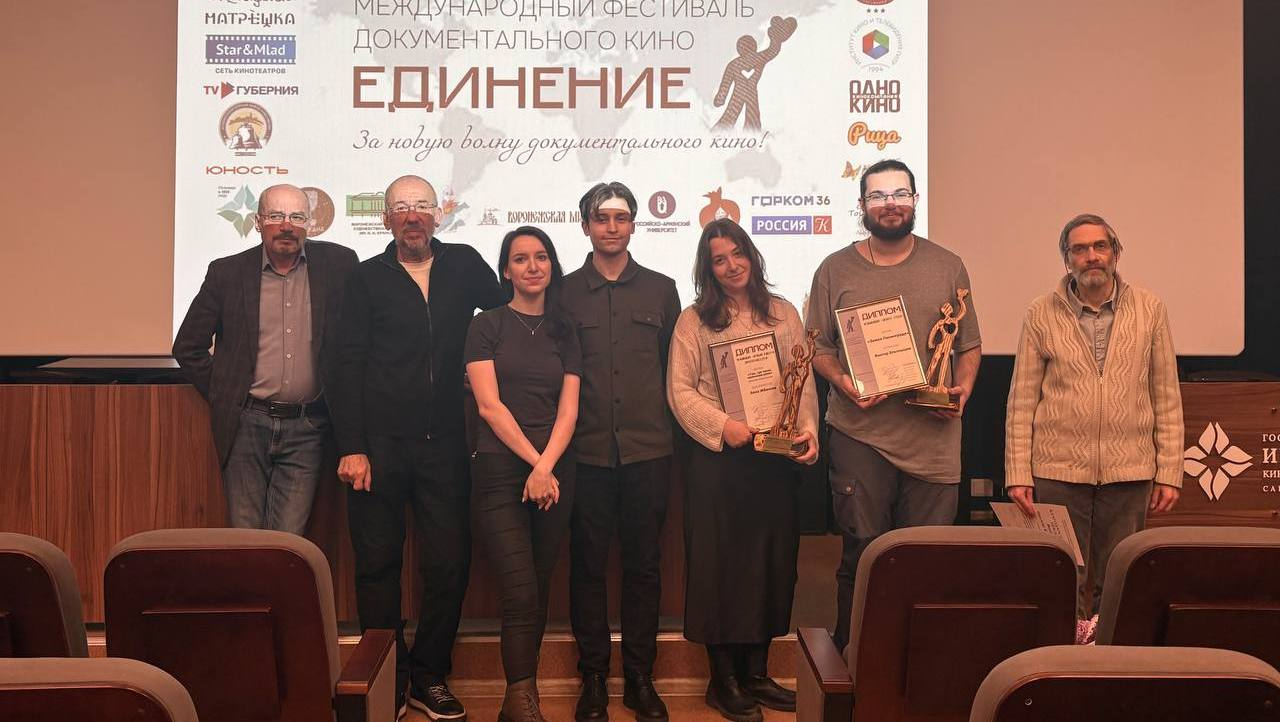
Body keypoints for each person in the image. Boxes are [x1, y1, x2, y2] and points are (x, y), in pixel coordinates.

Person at [329, 174, 505, 720]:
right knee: (377, 566)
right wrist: (352, 446)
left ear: (438, 215)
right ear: (386, 219)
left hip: (446, 444)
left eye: (422, 206)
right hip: (377, 448)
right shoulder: (364, 279)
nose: (413, 216)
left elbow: (509, 313)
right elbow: (343, 364)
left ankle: (429, 677)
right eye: (402, 207)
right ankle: (389, 679)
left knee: (450, 563)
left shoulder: (465, 264)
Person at [806, 159, 983, 653]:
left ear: (915, 200)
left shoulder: (948, 265)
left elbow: (968, 344)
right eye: (879, 196)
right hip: (860, 435)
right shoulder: (834, 269)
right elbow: (817, 347)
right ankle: (856, 665)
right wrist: (844, 382)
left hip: (933, 442)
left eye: (900, 194)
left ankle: (917, 670)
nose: (890, 204)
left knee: (926, 561)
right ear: (862, 205)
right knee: (863, 554)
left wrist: (962, 390)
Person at [668, 219, 818, 722]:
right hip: (719, 461)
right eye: (719, 259)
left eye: (738, 254)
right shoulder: (694, 321)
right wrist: (723, 426)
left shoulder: (784, 313)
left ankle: (756, 673)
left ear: (751, 256)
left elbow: (801, 380)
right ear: (707, 268)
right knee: (722, 568)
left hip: (773, 462)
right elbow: (680, 391)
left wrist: (807, 430)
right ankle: (724, 680)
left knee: (771, 565)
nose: (732, 266)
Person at [1005, 213, 1183, 625]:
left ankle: (1111, 658)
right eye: (1080, 249)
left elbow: (1166, 395)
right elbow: (1021, 400)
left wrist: (1170, 471)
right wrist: (1018, 472)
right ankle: (1062, 658)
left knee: (1121, 579)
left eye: (1100, 246)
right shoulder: (1040, 312)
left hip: (1130, 470)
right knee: (1061, 578)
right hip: (1057, 470)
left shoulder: (1150, 309)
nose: (1091, 256)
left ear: (1116, 253)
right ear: (1067, 260)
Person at [560, 181, 681, 722]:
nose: (612, 227)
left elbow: (676, 372)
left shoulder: (661, 290)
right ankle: (592, 678)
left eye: (621, 217)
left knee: (644, 567)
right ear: (585, 224)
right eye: (601, 218)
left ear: (633, 224)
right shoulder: (563, 293)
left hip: (647, 451)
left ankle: (639, 677)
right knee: (586, 566)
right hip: (583, 453)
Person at [173, 183, 357, 534]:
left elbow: (355, 341)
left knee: (289, 542)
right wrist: (228, 394)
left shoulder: (340, 266)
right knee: (246, 538)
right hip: (246, 426)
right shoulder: (227, 273)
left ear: (309, 223)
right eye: (276, 216)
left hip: (308, 427)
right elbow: (188, 346)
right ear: (258, 222)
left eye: (297, 216)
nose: (287, 226)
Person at [465, 226, 581, 722]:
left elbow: (569, 410)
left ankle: (519, 701)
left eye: (540, 257)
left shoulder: (565, 330)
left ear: (552, 265)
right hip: (499, 469)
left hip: (555, 473)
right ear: (506, 271)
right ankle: (521, 700)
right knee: (520, 590)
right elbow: (489, 406)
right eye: (520, 259)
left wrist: (546, 466)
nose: (532, 266)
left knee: (538, 584)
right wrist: (535, 464)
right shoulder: (486, 325)